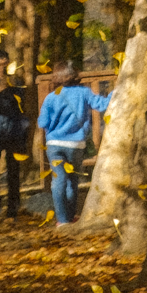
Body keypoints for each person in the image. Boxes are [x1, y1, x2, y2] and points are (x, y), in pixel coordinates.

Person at [36, 63, 104, 225]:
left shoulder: (51, 97)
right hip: (76, 144)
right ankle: (72, 216)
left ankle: (62, 221)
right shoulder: (84, 92)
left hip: (54, 144)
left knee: (58, 181)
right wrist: (118, 92)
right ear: (74, 76)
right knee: (73, 181)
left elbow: (42, 122)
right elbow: (101, 104)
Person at [0, 53, 32, 220]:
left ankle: (13, 208)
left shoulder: (15, 83)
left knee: (13, 172)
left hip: (13, 133)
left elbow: (23, 104)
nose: (3, 68)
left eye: (6, 64)